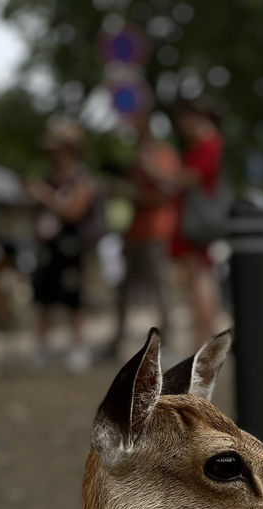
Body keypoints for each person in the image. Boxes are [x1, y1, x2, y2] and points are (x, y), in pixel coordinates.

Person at [26, 118, 100, 373]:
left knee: (73, 296)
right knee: (43, 295)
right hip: (50, 246)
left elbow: (74, 212)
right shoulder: (51, 177)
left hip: (73, 246)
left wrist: (44, 196)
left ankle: (79, 346)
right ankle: (42, 346)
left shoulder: (83, 179)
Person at [108, 110, 180, 357]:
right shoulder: (136, 158)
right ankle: (116, 341)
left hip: (156, 232)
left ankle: (168, 342)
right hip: (134, 233)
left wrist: (145, 180)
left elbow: (170, 189)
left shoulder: (163, 155)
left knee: (162, 290)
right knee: (123, 290)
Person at [164, 98, 225, 349]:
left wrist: (158, 175)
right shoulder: (208, 144)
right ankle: (203, 340)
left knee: (198, 281)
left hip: (193, 224)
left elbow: (185, 181)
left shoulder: (207, 145)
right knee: (199, 280)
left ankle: (202, 342)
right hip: (192, 222)